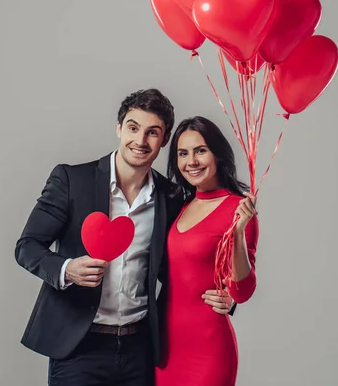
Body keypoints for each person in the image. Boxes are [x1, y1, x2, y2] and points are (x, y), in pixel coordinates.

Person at [15, 89, 233, 386]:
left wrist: (228, 295)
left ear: (164, 140)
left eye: (152, 133)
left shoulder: (171, 198)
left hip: (140, 350)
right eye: (133, 128)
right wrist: (67, 269)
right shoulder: (72, 180)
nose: (140, 141)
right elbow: (27, 246)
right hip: (79, 348)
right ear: (119, 128)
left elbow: (186, 266)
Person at [155, 116, 258, 386]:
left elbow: (242, 291)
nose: (192, 161)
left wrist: (237, 232)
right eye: (183, 153)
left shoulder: (238, 210)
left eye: (201, 151)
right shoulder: (179, 205)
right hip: (164, 349)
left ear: (218, 154)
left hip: (208, 349)